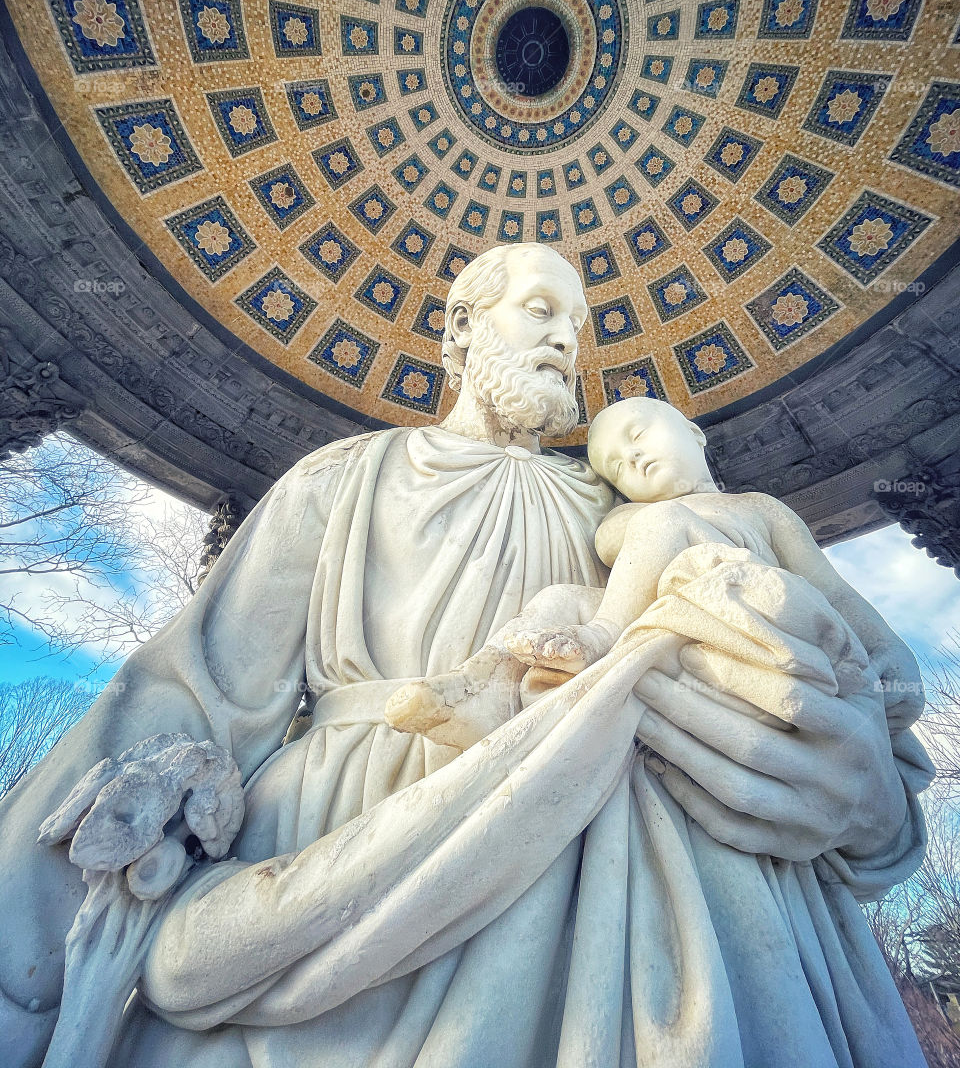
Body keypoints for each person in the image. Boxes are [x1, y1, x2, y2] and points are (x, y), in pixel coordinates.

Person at [0, 245, 931, 1068]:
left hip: (571, 854)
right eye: (541, 309)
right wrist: (25, 941)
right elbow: (198, 690)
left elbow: (714, 639)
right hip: (339, 843)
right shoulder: (346, 477)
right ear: (459, 327)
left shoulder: (615, 515)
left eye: (579, 323)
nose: (569, 339)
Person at [385, 397, 882, 749]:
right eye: (616, 468)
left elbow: (834, 590)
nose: (634, 458)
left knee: (659, 528)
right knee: (561, 595)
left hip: (759, 615)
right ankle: (486, 684)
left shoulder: (758, 508)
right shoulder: (631, 518)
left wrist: (889, 654)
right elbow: (607, 542)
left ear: (693, 431)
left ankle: (600, 636)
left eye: (638, 435)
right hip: (672, 625)